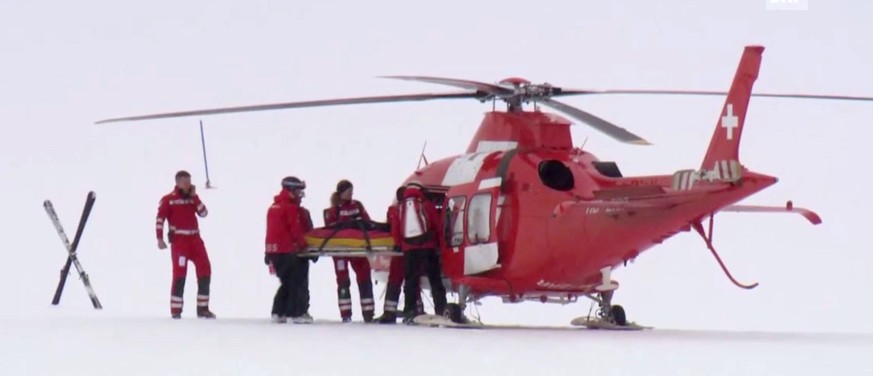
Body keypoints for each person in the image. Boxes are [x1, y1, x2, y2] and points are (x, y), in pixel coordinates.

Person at [156, 170, 215, 319]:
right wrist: (159, 238)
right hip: (180, 242)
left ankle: (203, 309)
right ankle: (176, 310)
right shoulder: (168, 199)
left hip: (195, 239)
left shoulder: (193, 198)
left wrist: (195, 197)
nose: (188, 184)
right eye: (185, 182)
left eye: (189, 181)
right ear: (178, 183)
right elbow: (160, 219)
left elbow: (204, 213)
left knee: (205, 269)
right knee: (180, 273)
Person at [324, 179, 376, 323]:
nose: (351, 193)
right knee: (343, 280)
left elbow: (367, 221)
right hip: (340, 249)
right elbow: (330, 228)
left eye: (351, 190)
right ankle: (345, 313)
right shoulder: (333, 210)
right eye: (348, 191)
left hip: (357, 248)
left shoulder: (357, 205)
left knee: (364, 276)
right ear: (341, 192)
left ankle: (368, 312)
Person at [264, 176, 314, 324]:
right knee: (297, 282)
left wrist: (268, 253)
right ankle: (297, 312)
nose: (300, 195)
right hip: (289, 251)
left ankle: (279, 311)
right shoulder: (291, 208)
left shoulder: (274, 207)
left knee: (286, 282)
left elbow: (270, 232)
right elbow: (295, 229)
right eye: (299, 191)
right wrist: (305, 247)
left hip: (275, 252)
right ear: (291, 190)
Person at [399, 181, 448, 324]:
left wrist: (400, 244)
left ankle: (409, 310)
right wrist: (441, 243)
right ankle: (441, 309)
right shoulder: (426, 204)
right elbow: (437, 225)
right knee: (435, 279)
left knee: (411, 281)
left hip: (409, 250)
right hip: (427, 247)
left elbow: (397, 228)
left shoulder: (401, 206)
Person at [375, 186, 423, 324]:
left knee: (395, 280)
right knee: (413, 280)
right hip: (414, 249)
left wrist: (397, 243)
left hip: (399, 250)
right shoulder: (417, 207)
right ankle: (416, 310)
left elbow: (393, 227)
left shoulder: (395, 210)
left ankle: (389, 312)